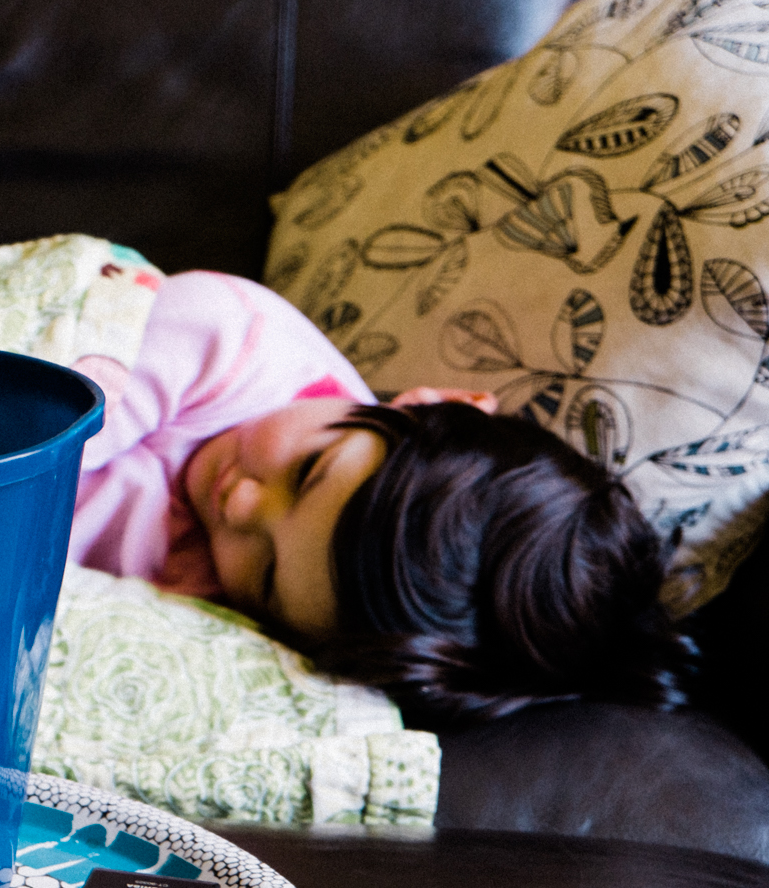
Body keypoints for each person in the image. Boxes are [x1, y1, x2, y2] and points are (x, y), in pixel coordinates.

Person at [69, 271, 693, 726]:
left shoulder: (211, 612)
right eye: (309, 471)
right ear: (434, 405)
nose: (240, 506)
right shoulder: (230, 339)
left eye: (265, 574)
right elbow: (25, 449)